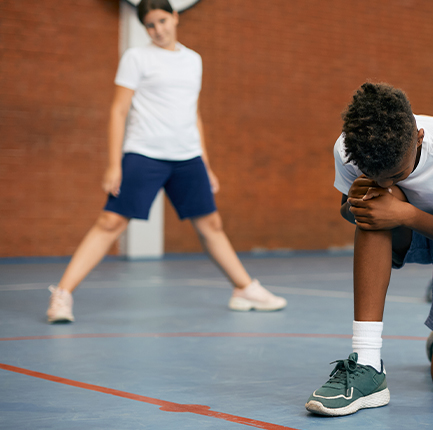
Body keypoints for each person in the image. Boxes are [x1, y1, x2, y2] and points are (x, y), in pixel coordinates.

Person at [45, 0, 286, 324]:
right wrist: (114, 163)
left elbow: (193, 113)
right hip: (144, 153)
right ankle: (62, 296)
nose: (158, 29)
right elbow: (118, 110)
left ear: (175, 17)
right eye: (150, 25)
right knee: (111, 222)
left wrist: (206, 163)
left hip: (187, 157)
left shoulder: (193, 60)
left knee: (211, 225)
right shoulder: (136, 57)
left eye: (162, 21)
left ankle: (244, 289)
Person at [305, 82, 433, 416]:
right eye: (375, 175)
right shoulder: (351, 147)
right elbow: (345, 208)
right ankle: (367, 361)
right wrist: (358, 206)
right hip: (405, 228)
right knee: (372, 203)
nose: (386, 184)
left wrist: (404, 213)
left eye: (396, 174)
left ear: (419, 138)